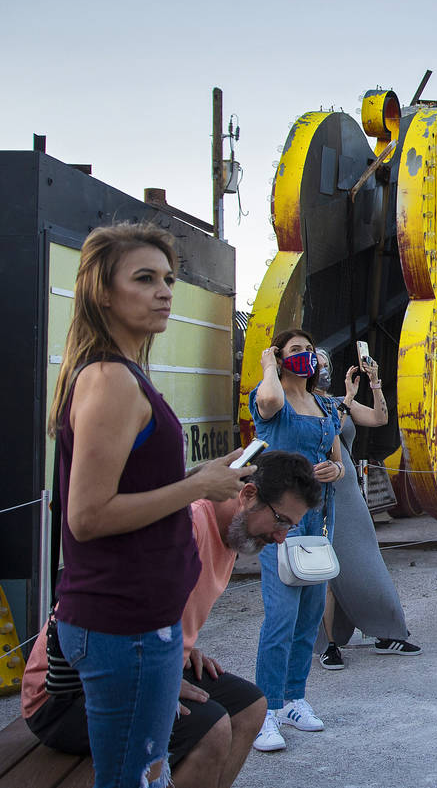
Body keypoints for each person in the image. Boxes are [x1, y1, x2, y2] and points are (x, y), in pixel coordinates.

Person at [45, 222, 252, 788]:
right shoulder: (112, 379)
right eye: (144, 278)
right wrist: (196, 488)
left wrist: (202, 476)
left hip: (138, 622)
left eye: (168, 279)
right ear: (102, 293)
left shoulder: (121, 374)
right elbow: (87, 517)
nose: (165, 291)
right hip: (124, 624)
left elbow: (125, 492)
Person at [22, 451, 320, 788]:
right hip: (70, 690)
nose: (282, 536)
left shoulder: (236, 532)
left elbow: (162, 604)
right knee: (212, 729)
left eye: (290, 526)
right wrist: (159, 680)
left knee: (251, 708)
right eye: (281, 521)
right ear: (247, 495)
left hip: (141, 660)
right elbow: (110, 613)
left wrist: (181, 645)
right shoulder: (186, 527)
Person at [249, 328, 347, 752]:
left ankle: (294, 699)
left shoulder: (325, 404)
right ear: (280, 356)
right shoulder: (271, 397)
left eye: (309, 349)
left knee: (309, 615)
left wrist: (333, 471)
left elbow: (337, 459)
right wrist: (269, 364)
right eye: (296, 350)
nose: (306, 356)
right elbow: (269, 402)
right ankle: (264, 712)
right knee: (280, 616)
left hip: (318, 520)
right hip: (278, 521)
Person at [311, 349, 421, 670]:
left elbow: (379, 418)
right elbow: (328, 431)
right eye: (317, 365)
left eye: (326, 364)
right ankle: (329, 643)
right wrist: (347, 397)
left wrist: (374, 383)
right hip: (319, 491)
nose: (323, 371)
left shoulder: (334, 401)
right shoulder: (302, 408)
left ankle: (386, 630)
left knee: (364, 560)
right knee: (326, 571)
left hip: (348, 492)